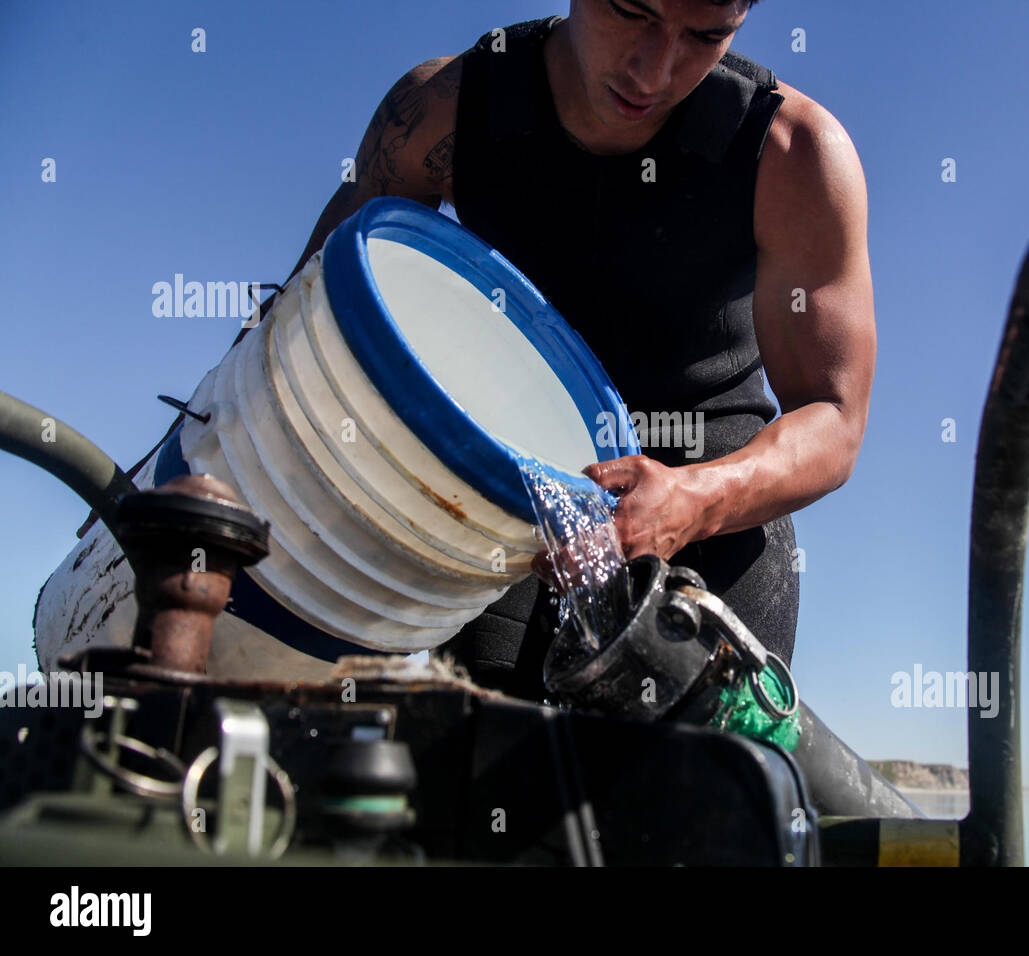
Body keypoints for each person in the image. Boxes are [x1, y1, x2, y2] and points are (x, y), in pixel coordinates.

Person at [283, 0, 877, 700]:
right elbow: (304, 311)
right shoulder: (444, 108)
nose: (653, 72)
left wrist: (696, 499)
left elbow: (835, 420)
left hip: (708, 489)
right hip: (507, 490)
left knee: (699, 795)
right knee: (486, 777)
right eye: (631, 11)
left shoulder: (793, 153)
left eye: (704, 36)